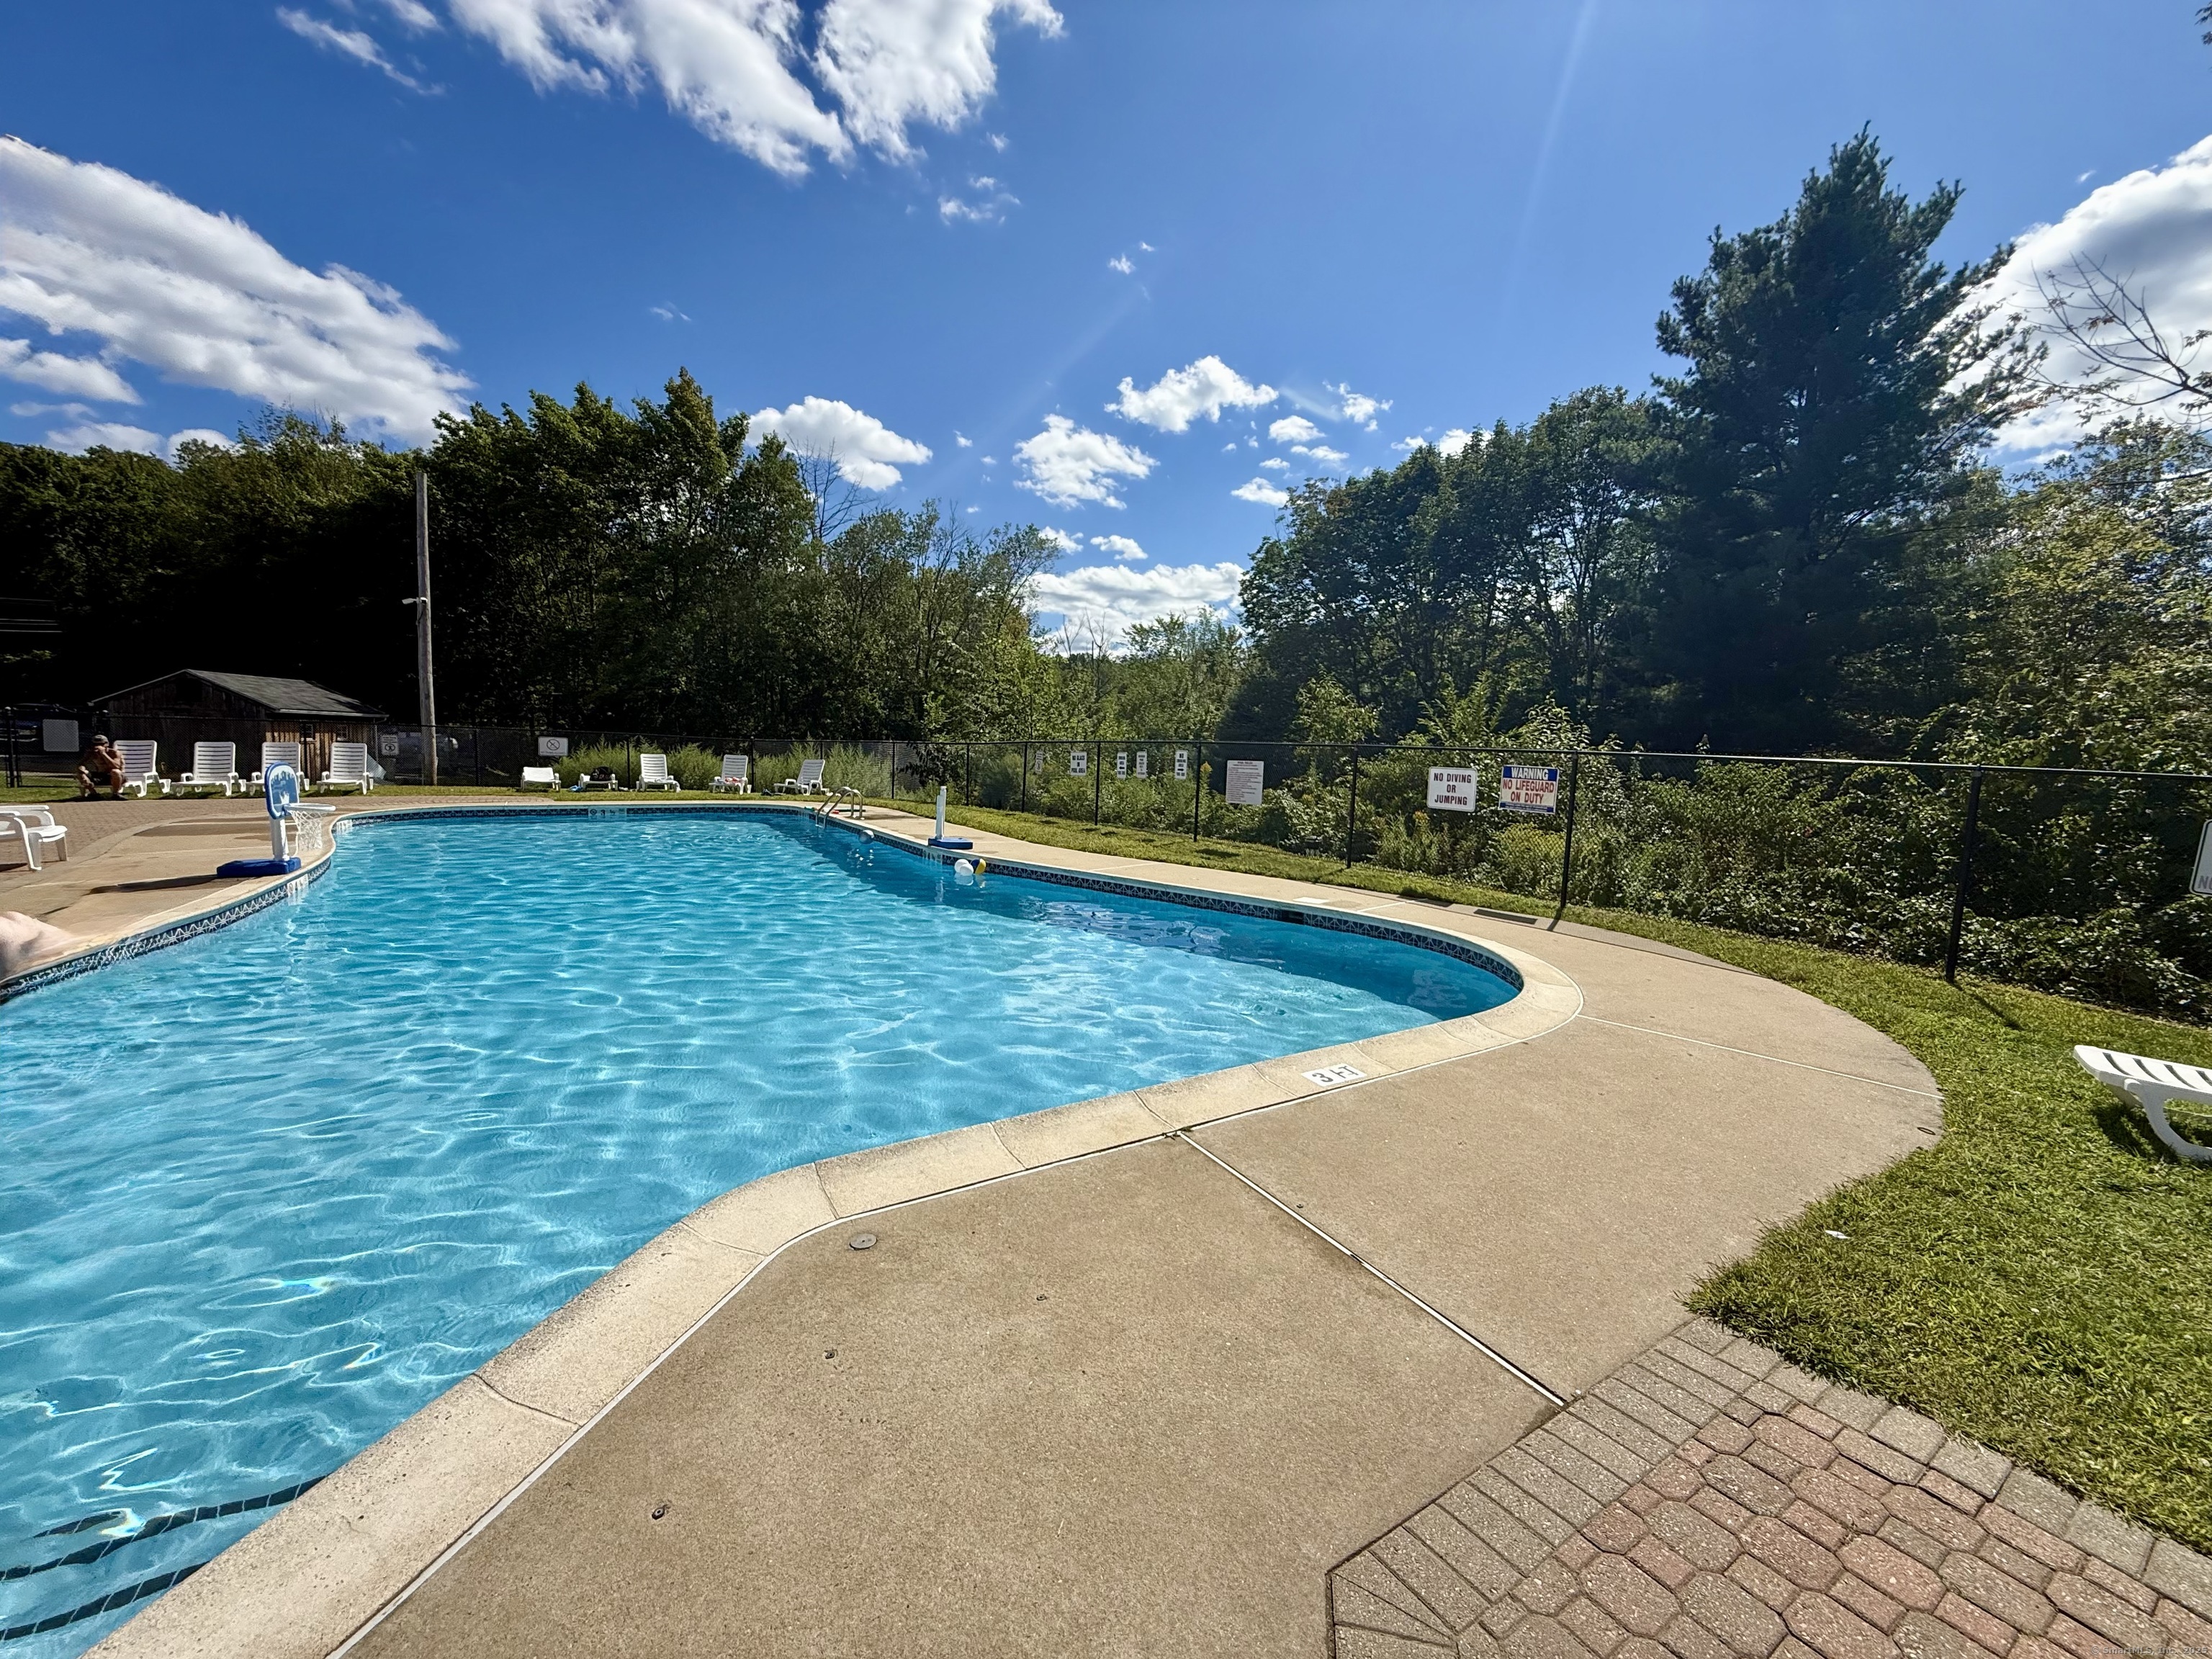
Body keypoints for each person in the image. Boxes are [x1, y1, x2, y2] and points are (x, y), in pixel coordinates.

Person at [78, 734, 125, 799]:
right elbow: (81, 764)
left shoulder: (114, 753)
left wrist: (104, 754)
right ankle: (94, 794)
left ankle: (116, 794)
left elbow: (116, 766)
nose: (98, 746)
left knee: (115, 772)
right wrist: (82, 768)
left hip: (114, 777)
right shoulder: (91, 753)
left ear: (107, 744)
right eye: (95, 744)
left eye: (102, 744)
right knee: (80, 774)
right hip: (99, 775)